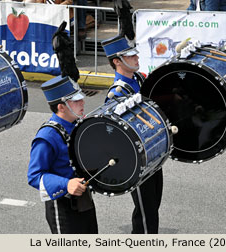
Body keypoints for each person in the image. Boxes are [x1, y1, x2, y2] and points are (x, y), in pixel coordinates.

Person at [101, 35, 162, 234]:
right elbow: (110, 132)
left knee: (153, 208)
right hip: (137, 160)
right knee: (146, 214)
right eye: (130, 55)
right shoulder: (117, 93)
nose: (136, 57)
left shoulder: (140, 79)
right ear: (117, 61)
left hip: (153, 152)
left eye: (135, 53)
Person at [27, 75, 98, 234]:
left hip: (84, 201)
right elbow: (34, 175)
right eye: (76, 100)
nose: (82, 102)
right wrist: (66, 184)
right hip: (63, 206)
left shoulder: (78, 125)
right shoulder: (47, 137)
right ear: (61, 107)